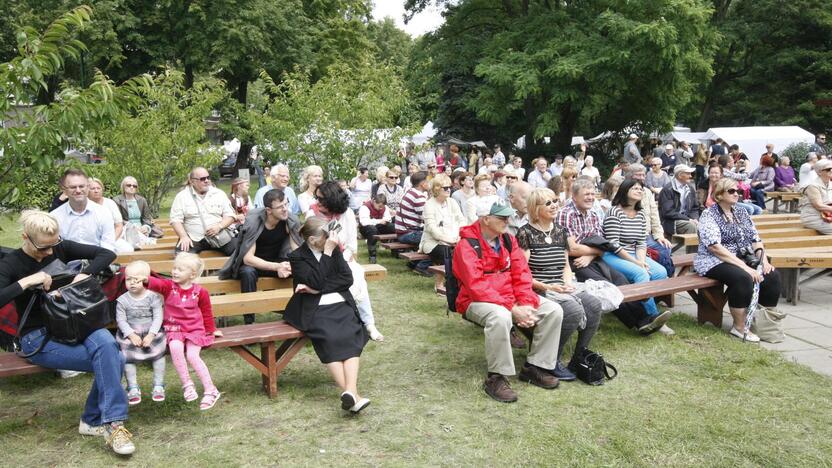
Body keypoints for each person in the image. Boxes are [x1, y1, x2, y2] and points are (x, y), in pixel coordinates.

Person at [0, 210, 134, 455]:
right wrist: (29, 281)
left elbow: (107, 253)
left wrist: (86, 273)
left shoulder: (59, 247)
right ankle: (100, 422)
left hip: (76, 324)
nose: (50, 253)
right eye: (43, 248)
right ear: (25, 238)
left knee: (107, 347)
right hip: (37, 337)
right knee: (115, 358)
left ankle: (108, 423)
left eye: (54, 245)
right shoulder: (11, 263)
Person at [453, 198, 564, 403]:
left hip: (509, 298)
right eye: (502, 217)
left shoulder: (508, 239)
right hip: (473, 300)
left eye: (508, 216)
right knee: (500, 317)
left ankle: (535, 367)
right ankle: (497, 377)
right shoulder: (466, 245)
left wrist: (527, 304)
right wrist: (513, 309)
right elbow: (476, 287)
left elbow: (522, 274)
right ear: (485, 219)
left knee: (553, 310)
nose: (508, 220)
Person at [557, 179, 670, 335]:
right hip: (573, 262)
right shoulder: (566, 214)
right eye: (586, 194)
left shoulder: (593, 214)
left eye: (592, 194)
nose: (590, 197)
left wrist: (590, 255)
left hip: (591, 258)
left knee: (620, 281)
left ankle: (646, 320)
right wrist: (593, 251)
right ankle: (642, 322)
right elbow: (571, 249)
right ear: (574, 197)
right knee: (607, 287)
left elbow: (603, 246)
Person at [284, 217, 371, 413]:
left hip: (339, 302)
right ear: (313, 240)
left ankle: (350, 391)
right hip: (314, 309)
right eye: (326, 237)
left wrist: (317, 290)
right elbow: (314, 280)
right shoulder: (297, 257)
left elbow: (346, 279)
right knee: (329, 338)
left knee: (351, 334)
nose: (332, 239)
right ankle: (352, 394)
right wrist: (328, 254)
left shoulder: (333, 248)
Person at [517, 188, 604, 380]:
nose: (554, 205)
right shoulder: (526, 233)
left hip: (560, 286)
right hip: (537, 289)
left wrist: (567, 283)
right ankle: (551, 360)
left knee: (593, 304)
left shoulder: (561, 232)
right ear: (535, 209)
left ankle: (578, 357)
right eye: (548, 203)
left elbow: (565, 265)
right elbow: (521, 274)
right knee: (572, 309)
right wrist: (548, 287)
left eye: (555, 200)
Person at [694, 178, 781, 342]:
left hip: (743, 256)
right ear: (719, 194)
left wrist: (764, 261)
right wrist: (746, 268)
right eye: (732, 191)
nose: (737, 194)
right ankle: (739, 327)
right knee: (743, 278)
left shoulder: (741, 212)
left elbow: (756, 239)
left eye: (738, 191)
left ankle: (762, 323)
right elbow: (714, 247)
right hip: (714, 260)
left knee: (772, 276)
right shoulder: (709, 214)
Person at [146, 252, 223, 410]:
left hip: (194, 330)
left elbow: (207, 312)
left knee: (192, 355)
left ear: (192, 274)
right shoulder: (169, 287)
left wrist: (211, 330)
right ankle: (187, 385)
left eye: (180, 269)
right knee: (175, 348)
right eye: (174, 268)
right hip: (174, 330)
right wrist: (145, 279)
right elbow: (157, 284)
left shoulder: (200, 292)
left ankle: (211, 390)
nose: (175, 272)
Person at [309, 181, 384, 341]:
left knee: (357, 274)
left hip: (343, 258)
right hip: (320, 261)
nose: (317, 202)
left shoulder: (347, 214)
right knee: (350, 275)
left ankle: (369, 324)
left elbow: (351, 246)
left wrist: (342, 259)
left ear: (332, 199)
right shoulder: (313, 214)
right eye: (317, 198)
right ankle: (349, 323)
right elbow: (312, 246)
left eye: (321, 199)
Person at [218, 189, 301, 324]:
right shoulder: (254, 222)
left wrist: (291, 265)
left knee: (299, 268)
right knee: (248, 272)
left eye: (286, 204)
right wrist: (277, 267)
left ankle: (298, 313)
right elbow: (248, 259)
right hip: (252, 264)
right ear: (269, 210)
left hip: (275, 260)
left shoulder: (289, 220)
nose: (285, 209)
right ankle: (249, 321)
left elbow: (298, 252)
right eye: (280, 207)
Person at [602, 179, 672, 331]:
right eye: (634, 188)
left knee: (660, 272)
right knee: (641, 274)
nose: (639, 190)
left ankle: (643, 303)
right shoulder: (614, 212)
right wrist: (637, 263)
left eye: (641, 188)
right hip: (613, 254)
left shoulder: (640, 214)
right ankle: (654, 317)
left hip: (634, 253)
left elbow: (641, 242)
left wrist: (641, 260)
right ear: (624, 191)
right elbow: (612, 244)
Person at [116, 261, 166, 405]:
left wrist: (151, 334)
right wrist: (131, 335)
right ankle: (132, 387)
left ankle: (158, 385)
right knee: (127, 357)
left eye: (136, 280)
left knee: (159, 355)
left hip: (151, 332)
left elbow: (158, 317)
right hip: (131, 333)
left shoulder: (153, 297)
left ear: (145, 279)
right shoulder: (122, 300)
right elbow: (121, 320)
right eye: (128, 279)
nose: (131, 283)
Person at [169, 167, 237, 255]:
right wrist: (183, 236)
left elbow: (230, 216)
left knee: (240, 251)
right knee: (182, 256)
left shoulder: (219, 194)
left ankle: (228, 269)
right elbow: (175, 220)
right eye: (202, 179)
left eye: (208, 177)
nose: (206, 181)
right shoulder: (182, 197)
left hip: (219, 236)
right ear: (192, 181)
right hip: (193, 238)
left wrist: (219, 226)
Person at [626, 164, 675, 278]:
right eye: (638, 175)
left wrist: (659, 236)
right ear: (630, 176)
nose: (642, 177)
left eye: (643, 175)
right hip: (632, 238)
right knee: (657, 253)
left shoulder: (647, 192)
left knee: (666, 247)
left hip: (648, 235)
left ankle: (666, 282)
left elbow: (654, 216)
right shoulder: (623, 191)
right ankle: (658, 277)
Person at [50, 168, 116, 253]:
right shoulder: (55, 217)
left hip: (98, 262)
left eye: (81, 186)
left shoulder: (104, 213)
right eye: (73, 187)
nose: (78, 190)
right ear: (64, 190)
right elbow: (54, 250)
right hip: (67, 265)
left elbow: (108, 248)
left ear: (88, 187)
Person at [419, 174, 466, 279]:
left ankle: (461, 280)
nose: (448, 190)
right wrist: (450, 241)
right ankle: (443, 283)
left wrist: (458, 237)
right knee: (447, 252)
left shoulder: (452, 202)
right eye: (445, 188)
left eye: (450, 187)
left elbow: (462, 221)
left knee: (466, 250)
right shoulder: (429, 205)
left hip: (454, 239)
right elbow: (432, 230)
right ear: (437, 189)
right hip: (433, 242)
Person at [87, 177, 134, 253]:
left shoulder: (110, 203)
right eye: (92, 189)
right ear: (87, 190)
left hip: (111, 238)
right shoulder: (84, 204)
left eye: (98, 188)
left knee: (128, 249)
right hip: (90, 240)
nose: (96, 191)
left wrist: (110, 241)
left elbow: (119, 225)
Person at [658, 164, 701, 235]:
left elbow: (694, 208)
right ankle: (690, 246)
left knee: (702, 225)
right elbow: (668, 212)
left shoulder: (690, 188)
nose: (690, 176)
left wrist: (695, 218)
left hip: (686, 219)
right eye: (688, 174)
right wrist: (688, 219)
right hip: (670, 221)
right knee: (691, 226)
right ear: (680, 175)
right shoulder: (668, 189)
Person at [395, 172, 429, 248]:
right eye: (428, 181)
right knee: (435, 237)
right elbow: (427, 218)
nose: (429, 183)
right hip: (407, 234)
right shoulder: (418, 196)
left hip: (403, 232)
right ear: (423, 184)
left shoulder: (411, 191)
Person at [358, 193, 395, 263]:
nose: (381, 208)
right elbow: (364, 222)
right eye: (379, 206)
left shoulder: (385, 207)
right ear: (374, 201)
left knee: (393, 227)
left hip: (379, 226)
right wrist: (379, 221)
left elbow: (388, 218)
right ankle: (372, 256)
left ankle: (396, 251)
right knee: (372, 230)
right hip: (366, 228)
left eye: (382, 206)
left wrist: (385, 220)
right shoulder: (365, 207)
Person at [799, 159, 832, 235]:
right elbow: (818, 205)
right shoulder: (813, 186)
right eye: (828, 169)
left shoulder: (830, 184)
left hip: (828, 216)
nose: (831, 170)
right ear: (819, 172)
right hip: (814, 217)